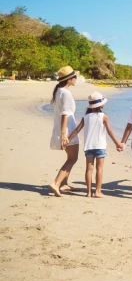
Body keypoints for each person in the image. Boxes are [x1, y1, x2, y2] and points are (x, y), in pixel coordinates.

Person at [67, 92, 122, 198]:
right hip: (100, 146)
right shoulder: (104, 116)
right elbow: (110, 131)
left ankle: (88, 192)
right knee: (99, 168)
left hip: (89, 146)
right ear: (100, 105)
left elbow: (77, 130)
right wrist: (117, 144)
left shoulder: (85, 117)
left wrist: (67, 140)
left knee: (89, 169)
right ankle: (97, 191)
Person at [48, 66, 80, 197]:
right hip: (67, 128)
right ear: (69, 80)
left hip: (61, 126)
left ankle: (64, 184)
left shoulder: (59, 91)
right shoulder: (66, 93)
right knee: (73, 158)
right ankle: (56, 183)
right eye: (75, 77)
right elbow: (65, 114)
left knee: (70, 157)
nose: (76, 79)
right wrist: (63, 135)